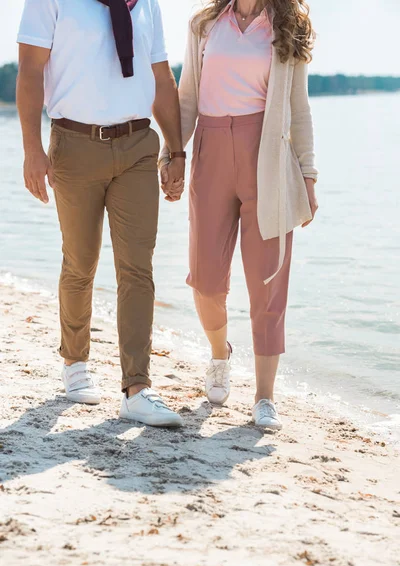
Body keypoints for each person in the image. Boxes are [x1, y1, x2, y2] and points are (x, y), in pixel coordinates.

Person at [16, 0, 186, 428]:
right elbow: (31, 70)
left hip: (137, 146)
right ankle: (75, 362)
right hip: (75, 144)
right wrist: (32, 150)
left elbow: (162, 78)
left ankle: (137, 388)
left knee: (137, 269)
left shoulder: (146, 3)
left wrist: (177, 149)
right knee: (80, 261)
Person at [160, 0, 319, 430]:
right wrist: (171, 154)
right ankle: (219, 355)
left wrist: (308, 176)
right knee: (206, 278)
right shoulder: (205, 24)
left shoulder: (289, 26)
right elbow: (187, 97)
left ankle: (265, 397)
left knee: (268, 282)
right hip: (210, 153)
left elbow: (299, 110)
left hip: (267, 159)